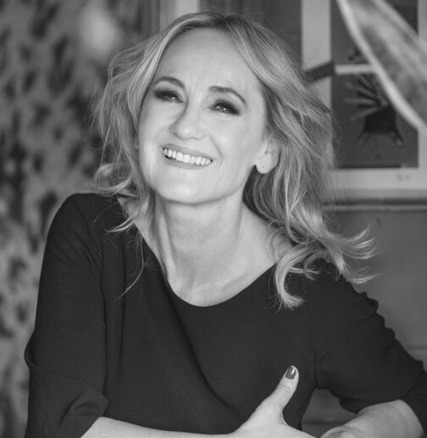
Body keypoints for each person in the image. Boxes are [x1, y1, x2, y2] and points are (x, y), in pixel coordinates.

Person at [24, 11, 427, 438]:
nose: (185, 126)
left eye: (223, 106)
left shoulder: (306, 288)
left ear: (268, 148)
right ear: (141, 116)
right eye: (169, 95)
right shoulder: (90, 231)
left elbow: (417, 398)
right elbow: (58, 426)